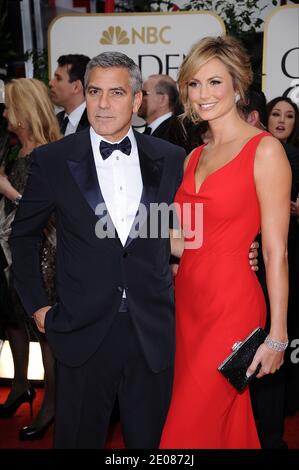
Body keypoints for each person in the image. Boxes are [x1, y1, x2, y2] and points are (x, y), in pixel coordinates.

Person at [9, 52, 260, 449]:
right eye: (94, 92)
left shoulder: (171, 158)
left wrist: (240, 250)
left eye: (116, 92)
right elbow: (22, 238)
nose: (103, 104)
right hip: (82, 333)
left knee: (155, 446)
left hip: (153, 331)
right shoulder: (54, 160)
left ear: (137, 100)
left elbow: (187, 230)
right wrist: (38, 307)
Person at [160, 35, 291, 449]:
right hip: (189, 305)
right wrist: (117, 220)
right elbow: (185, 238)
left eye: (215, 82)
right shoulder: (193, 157)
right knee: (226, 429)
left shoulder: (265, 150)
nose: (203, 94)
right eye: (195, 84)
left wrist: (278, 335)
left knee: (185, 431)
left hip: (232, 307)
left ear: (238, 86)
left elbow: (275, 250)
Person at [0, 78, 61, 440]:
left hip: (44, 257)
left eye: (9, 106)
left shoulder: (44, 152)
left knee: (47, 336)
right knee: (22, 326)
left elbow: (50, 211)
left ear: (23, 112)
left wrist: (8, 189)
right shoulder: (16, 150)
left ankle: (52, 407)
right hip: (18, 255)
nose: (6, 113)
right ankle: (27, 389)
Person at [49, 54, 90, 135]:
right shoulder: (56, 121)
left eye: (58, 78)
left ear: (76, 87)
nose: (51, 83)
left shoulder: (96, 123)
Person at [137, 74, 179, 138]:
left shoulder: (176, 135)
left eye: (143, 93)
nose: (138, 98)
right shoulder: (146, 134)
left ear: (162, 99)